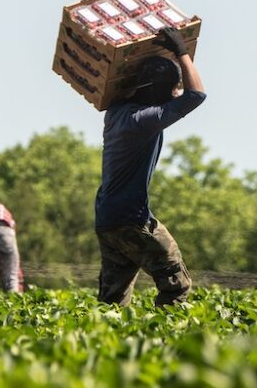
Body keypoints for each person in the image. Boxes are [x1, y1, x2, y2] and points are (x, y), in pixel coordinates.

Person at [94, 27, 206, 307]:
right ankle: (166, 332)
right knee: (176, 283)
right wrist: (181, 51)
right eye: (173, 89)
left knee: (113, 300)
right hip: (132, 219)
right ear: (162, 92)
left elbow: (132, 87)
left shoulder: (116, 112)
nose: (177, 93)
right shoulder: (144, 120)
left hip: (107, 218)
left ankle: (106, 334)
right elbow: (196, 95)